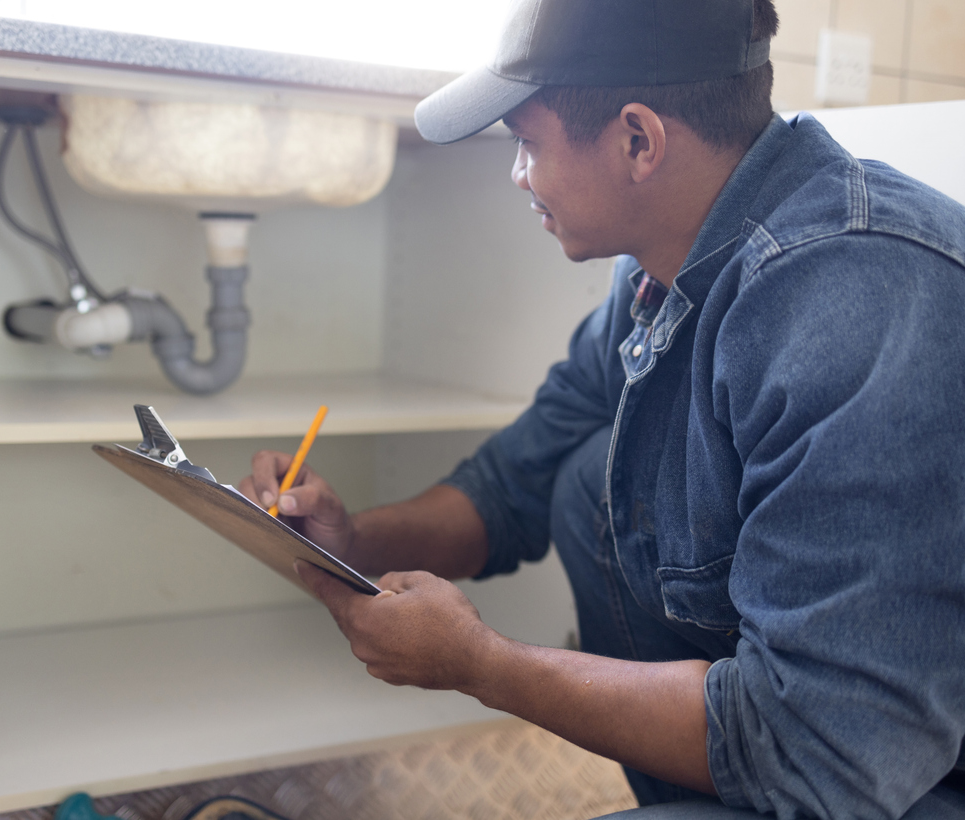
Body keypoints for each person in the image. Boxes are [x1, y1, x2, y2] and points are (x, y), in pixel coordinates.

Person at [239, 0, 965, 816]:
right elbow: (515, 481)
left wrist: (481, 663)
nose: (518, 175)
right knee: (587, 473)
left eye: (526, 143)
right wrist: (357, 542)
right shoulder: (669, 268)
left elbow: (828, 751)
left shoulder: (854, 306)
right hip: (809, 757)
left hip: (890, 773)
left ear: (636, 140)